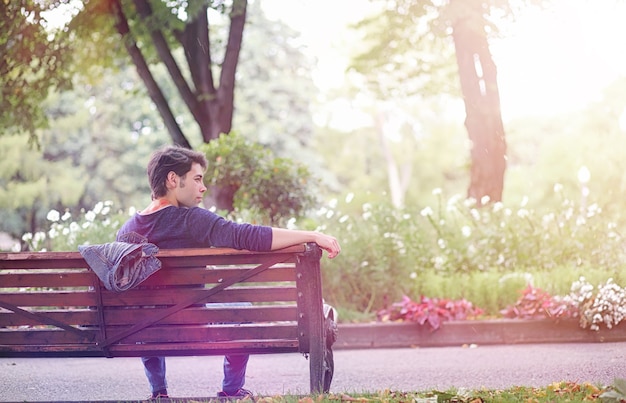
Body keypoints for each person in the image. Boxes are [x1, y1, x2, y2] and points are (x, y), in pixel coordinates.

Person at [116, 144, 341, 400]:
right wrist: (312, 235)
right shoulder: (192, 220)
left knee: (147, 311)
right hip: (194, 325)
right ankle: (232, 390)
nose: (203, 187)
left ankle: (159, 393)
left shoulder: (126, 232)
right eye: (197, 179)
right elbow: (247, 236)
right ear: (172, 179)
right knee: (240, 314)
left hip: (144, 330)